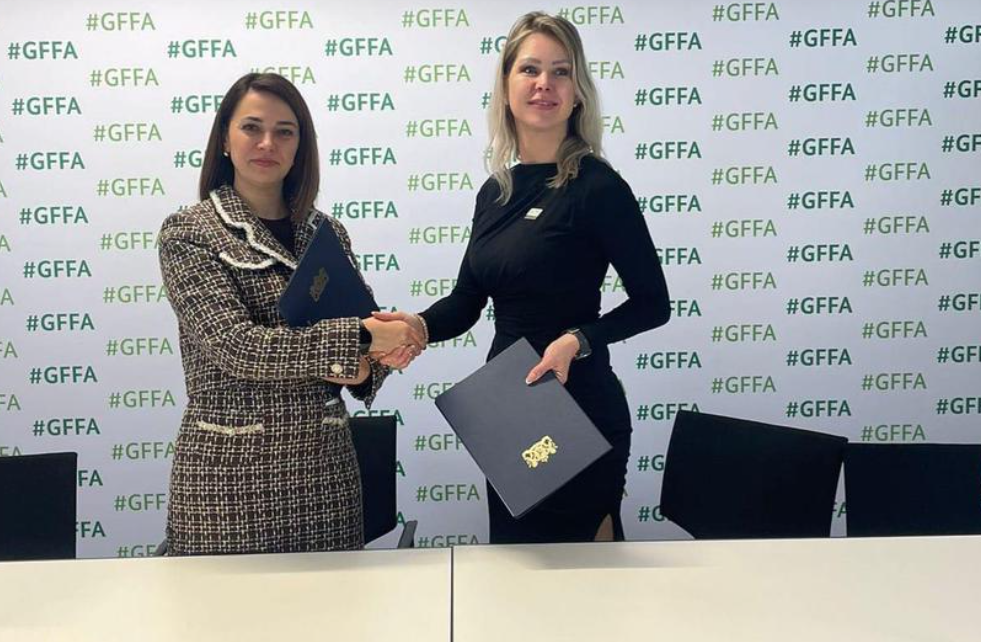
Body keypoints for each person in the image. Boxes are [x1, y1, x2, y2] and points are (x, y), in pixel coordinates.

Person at [374, 12, 670, 544]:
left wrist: (578, 339)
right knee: (517, 572)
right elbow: (467, 301)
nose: (544, 84)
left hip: (581, 410)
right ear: (507, 87)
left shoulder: (599, 187)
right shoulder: (496, 192)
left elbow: (654, 303)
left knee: (585, 579)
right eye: (530, 69)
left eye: (561, 71)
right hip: (509, 413)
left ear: (577, 93)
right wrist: (417, 325)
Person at [158, 73, 423, 555]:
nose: (267, 143)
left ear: (301, 146)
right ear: (224, 139)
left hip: (326, 481)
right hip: (228, 486)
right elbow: (236, 347)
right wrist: (362, 340)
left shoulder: (327, 232)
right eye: (251, 128)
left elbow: (361, 340)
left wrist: (375, 361)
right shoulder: (189, 232)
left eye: (285, 131)